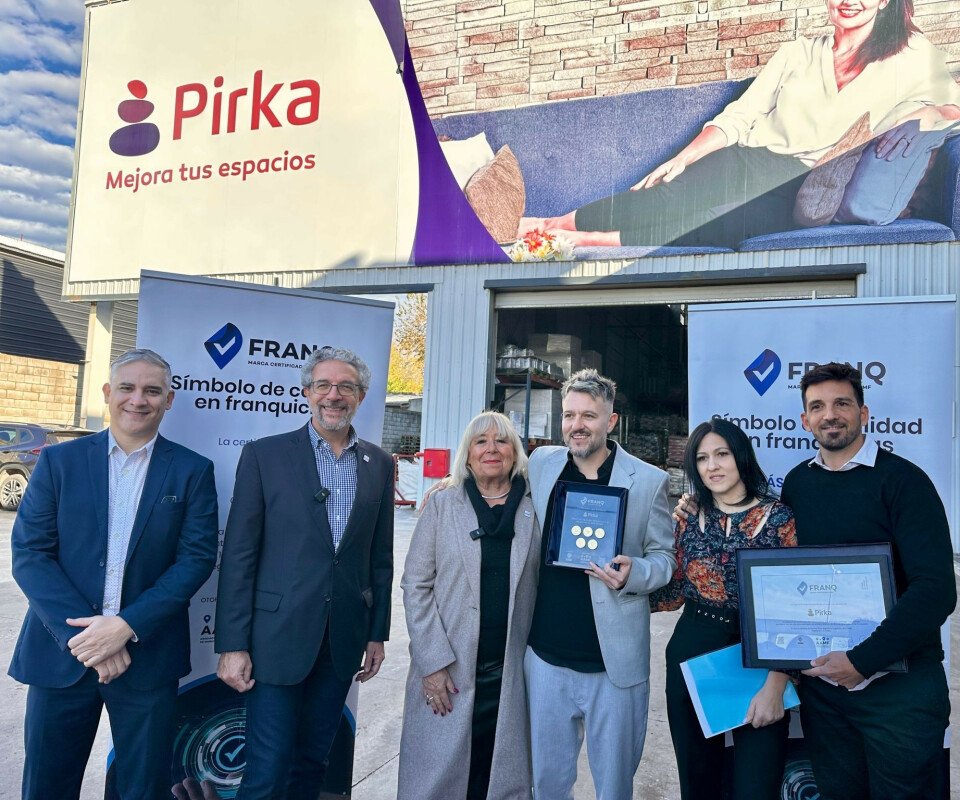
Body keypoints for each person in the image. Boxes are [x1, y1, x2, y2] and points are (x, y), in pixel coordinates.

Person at [676, 362, 955, 799]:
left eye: (842, 403)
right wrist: (699, 509)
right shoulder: (799, 484)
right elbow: (783, 574)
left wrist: (862, 659)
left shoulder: (905, 482)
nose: (830, 415)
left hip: (898, 691)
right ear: (805, 421)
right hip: (827, 694)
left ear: (864, 413)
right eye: (818, 407)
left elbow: (936, 590)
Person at [520, 0, 960, 249]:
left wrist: (927, 114)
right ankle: (552, 222)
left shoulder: (910, 55)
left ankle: (586, 241)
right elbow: (740, 116)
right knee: (667, 196)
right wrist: (685, 157)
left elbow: (953, 108)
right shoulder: (796, 52)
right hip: (749, 159)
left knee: (719, 226)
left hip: (805, 186)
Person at [8, 348, 219, 800]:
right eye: (127, 387)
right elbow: (30, 554)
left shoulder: (192, 470)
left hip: (147, 657)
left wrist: (124, 626)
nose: (138, 400)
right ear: (108, 392)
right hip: (63, 655)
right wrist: (88, 639)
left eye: (152, 391)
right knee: (47, 787)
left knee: (142, 789)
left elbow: (196, 559)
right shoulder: (59, 462)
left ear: (169, 400)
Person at [215, 346, 394, 800]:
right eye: (323, 385)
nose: (334, 395)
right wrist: (232, 644)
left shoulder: (379, 464)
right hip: (275, 640)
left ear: (361, 396)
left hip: (342, 641)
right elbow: (239, 555)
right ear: (306, 392)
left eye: (346, 387)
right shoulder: (265, 455)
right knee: (267, 769)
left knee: (313, 763)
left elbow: (380, 557)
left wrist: (377, 633)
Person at [524, 369, 675, 799]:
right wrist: (450, 485)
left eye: (588, 416)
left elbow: (664, 558)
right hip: (545, 659)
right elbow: (493, 479)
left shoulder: (648, 481)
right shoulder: (541, 464)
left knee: (613, 786)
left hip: (613, 665)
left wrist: (634, 573)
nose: (577, 425)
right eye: (569, 415)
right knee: (547, 784)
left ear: (611, 421)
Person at [651, 418, 796, 800]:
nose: (712, 465)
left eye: (722, 454)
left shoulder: (778, 518)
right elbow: (672, 593)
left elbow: (792, 608)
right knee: (698, 785)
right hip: (692, 655)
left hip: (759, 660)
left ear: (741, 456)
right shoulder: (687, 518)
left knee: (756, 785)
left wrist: (777, 682)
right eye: (702, 458)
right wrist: (627, 576)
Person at [397, 411, 539, 800]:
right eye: (481, 441)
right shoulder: (443, 504)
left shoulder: (536, 505)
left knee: (499, 772)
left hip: (511, 667)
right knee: (439, 777)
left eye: (502, 440)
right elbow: (416, 585)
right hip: (449, 665)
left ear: (515, 452)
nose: (491, 449)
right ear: (468, 453)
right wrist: (432, 663)